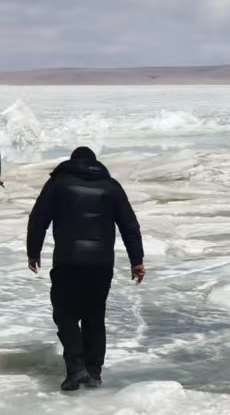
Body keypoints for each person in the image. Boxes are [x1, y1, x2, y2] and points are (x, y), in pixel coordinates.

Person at [26, 146, 145, 391]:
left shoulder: (58, 183)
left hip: (68, 261)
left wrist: (33, 252)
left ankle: (76, 368)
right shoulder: (111, 186)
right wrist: (137, 261)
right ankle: (93, 372)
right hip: (101, 263)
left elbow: (39, 218)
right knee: (94, 316)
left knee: (65, 313)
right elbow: (129, 225)